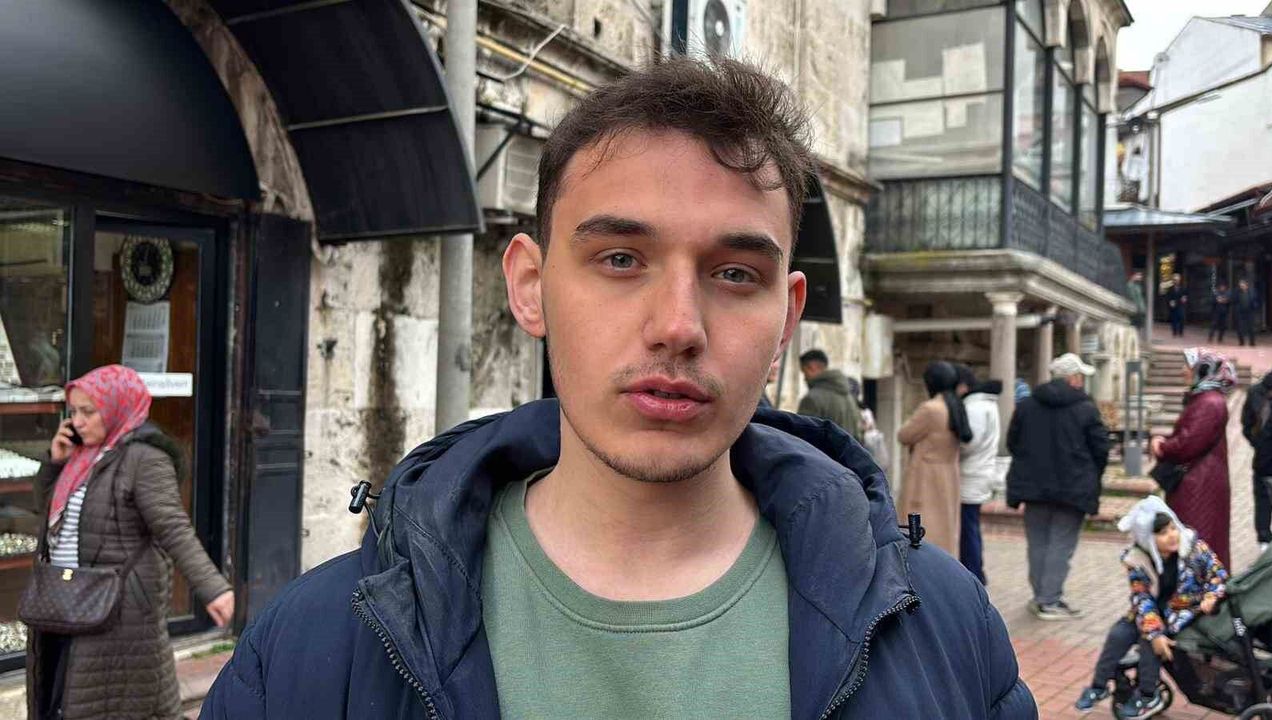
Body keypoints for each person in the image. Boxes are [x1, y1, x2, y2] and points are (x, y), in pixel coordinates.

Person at [202, 57, 1033, 718]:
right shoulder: (312, 652)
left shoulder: (947, 631)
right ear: (530, 287)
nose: (678, 325)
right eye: (621, 259)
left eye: (734, 273)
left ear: (787, 317)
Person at [28, 365, 234, 719]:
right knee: (61, 695)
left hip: (119, 607)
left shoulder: (144, 459)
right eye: (73, 412)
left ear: (116, 408)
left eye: (88, 411)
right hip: (66, 598)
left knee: (116, 703)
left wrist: (213, 589)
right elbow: (46, 512)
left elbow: (172, 526)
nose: (77, 422)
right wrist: (54, 463)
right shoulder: (81, 456)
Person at [1074, 497, 1228, 718]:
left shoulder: (1194, 548)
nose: (1172, 535)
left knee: (1149, 642)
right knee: (1119, 634)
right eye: (1162, 533)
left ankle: (1148, 694)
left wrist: (1212, 596)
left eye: (1173, 528)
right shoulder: (1138, 560)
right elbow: (1142, 597)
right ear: (1148, 538)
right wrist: (1154, 631)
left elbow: (1219, 575)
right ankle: (1099, 686)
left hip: (1185, 613)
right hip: (1153, 612)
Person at [1006, 353, 1111, 620]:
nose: (1082, 381)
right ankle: (1049, 599)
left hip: (1033, 487)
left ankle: (1041, 595)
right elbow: (1100, 448)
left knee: (1038, 542)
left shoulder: (1027, 405)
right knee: (1061, 545)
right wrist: (1092, 475)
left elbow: (1013, 442)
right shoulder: (1086, 408)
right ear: (1073, 378)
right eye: (1081, 376)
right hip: (1073, 488)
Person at [1152, 348, 1235, 570]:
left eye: (1188, 366)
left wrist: (1162, 447)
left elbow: (1188, 443)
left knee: (1197, 541)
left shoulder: (1209, 403)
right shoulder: (1206, 399)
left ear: (1203, 370)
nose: (1183, 371)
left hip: (1198, 485)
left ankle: (1203, 588)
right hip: (1200, 481)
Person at [896, 361, 971, 558]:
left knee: (921, 529)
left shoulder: (931, 409)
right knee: (945, 529)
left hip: (926, 477)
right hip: (949, 473)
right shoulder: (955, 406)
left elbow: (904, 435)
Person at [955, 365, 1000, 585]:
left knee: (968, 527)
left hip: (971, 473)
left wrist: (952, 450)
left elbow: (969, 442)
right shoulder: (986, 404)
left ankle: (973, 573)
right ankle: (976, 571)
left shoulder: (974, 407)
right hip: (980, 471)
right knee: (971, 525)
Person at [1242, 361, 1272, 553]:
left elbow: (1246, 425)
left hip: (1264, 461)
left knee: (1263, 503)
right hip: (1267, 459)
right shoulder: (1258, 391)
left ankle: (1264, 545)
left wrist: (1260, 445)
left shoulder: (1256, 390)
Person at [797, 348, 862, 442]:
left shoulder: (812, 398)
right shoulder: (849, 397)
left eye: (804, 372)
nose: (804, 378)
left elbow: (803, 436)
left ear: (812, 367)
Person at [1232, 278, 1260, 347]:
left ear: (1246, 284)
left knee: (1251, 327)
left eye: (1242, 284)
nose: (1241, 286)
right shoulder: (1236, 292)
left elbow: (1256, 299)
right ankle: (1241, 342)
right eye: (1240, 284)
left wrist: (1255, 306)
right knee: (1240, 327)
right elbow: (1233, 300)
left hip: (1249, 312)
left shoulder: (1252, 291)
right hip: (1240, 312)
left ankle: (1252, 342)